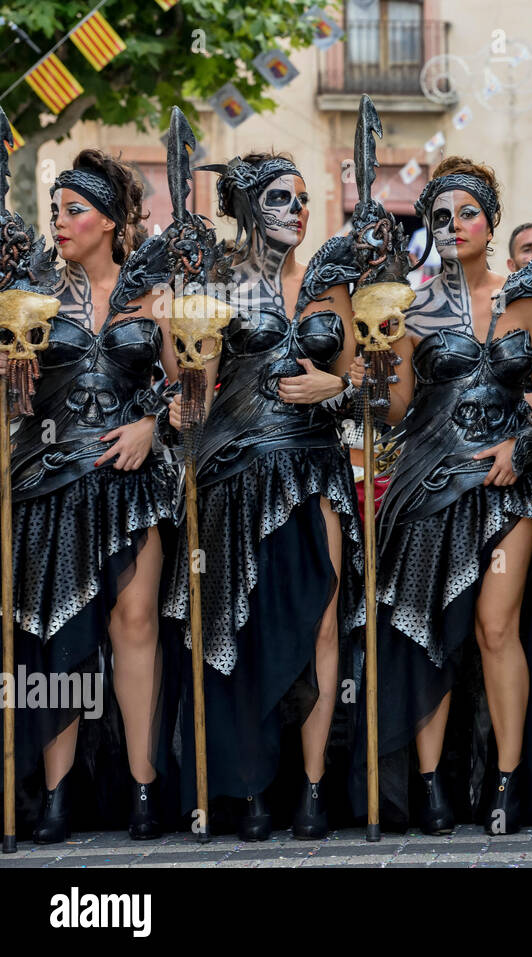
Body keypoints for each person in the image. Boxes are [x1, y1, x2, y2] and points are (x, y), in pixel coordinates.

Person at [349, 157, 532, 834]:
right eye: (440, 216)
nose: (453, 226)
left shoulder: (525, 300)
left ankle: (505, 780)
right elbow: (397, 410)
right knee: (430, 631)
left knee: (496, 625)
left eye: (466, 213)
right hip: (430, 484)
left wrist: (522, 446)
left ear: (490, 222)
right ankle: (432, 783)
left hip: (510, 483)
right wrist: (372, 376)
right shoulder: (405, 307)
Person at [162, 152, 364, 841]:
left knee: (323, 619)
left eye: (305, 198)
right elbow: (193, 395)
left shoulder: (327, 281)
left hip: (316, 466)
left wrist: (334, 387)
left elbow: (366, 383)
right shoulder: (212, 279)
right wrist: (181, 338)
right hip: (235, 470)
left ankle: (311, 789)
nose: (298, 210)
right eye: (282, 197)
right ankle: (247, 786)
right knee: (239, 626)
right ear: (248, 206)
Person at [6, 149, 177, 843]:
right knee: (59, 634)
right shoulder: (34, 297)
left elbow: (192, 393)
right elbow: (15, 400)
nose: (61, 221)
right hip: (51, 482)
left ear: (109, 222)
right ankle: (55, 793)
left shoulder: (155, 296)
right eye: (56, 210)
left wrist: (151, 426)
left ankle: (143, 786)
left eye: (75, 210)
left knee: (134, 625)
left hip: (135, 483)